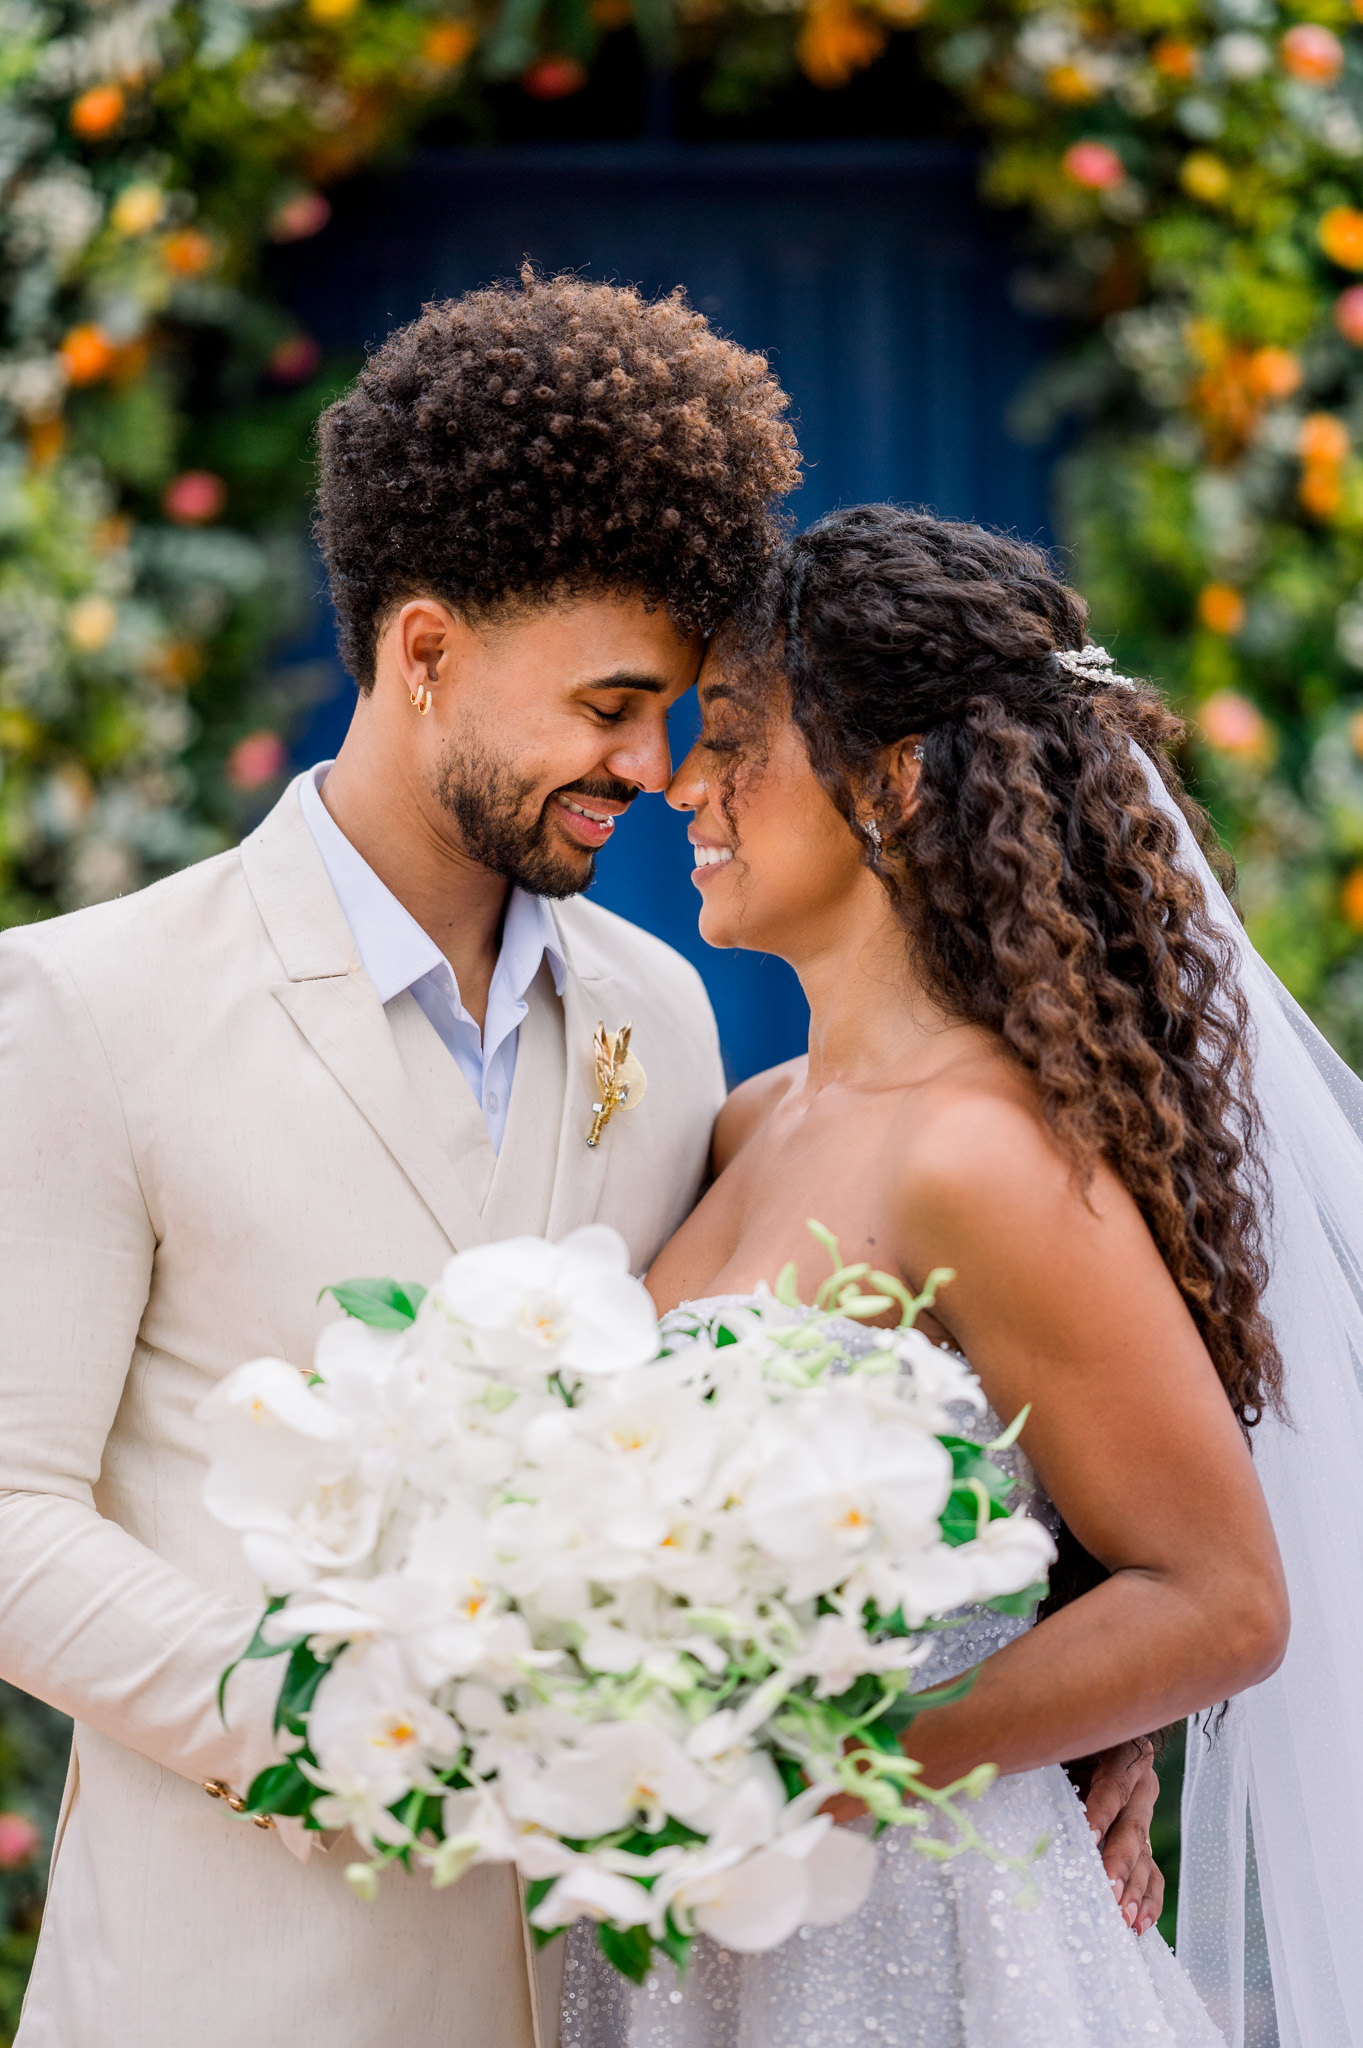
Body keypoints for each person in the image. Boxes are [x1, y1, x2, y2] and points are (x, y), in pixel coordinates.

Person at [0, 272, 795, 2048]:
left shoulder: (658, 1014)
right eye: (609, 704)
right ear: (424, 653)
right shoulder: (89, 999)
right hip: (229, 1996)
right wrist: (354, 1735)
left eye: (668, 710)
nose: (651, 767)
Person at [560, 506, 1293, 2047]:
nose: (684, 785)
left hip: (922, 1941)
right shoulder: (756, 1120)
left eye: (736, 740)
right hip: (692, 1940)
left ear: (891, 781)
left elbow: (1221, 1599)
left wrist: (843, 1767)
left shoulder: (982, 1152)